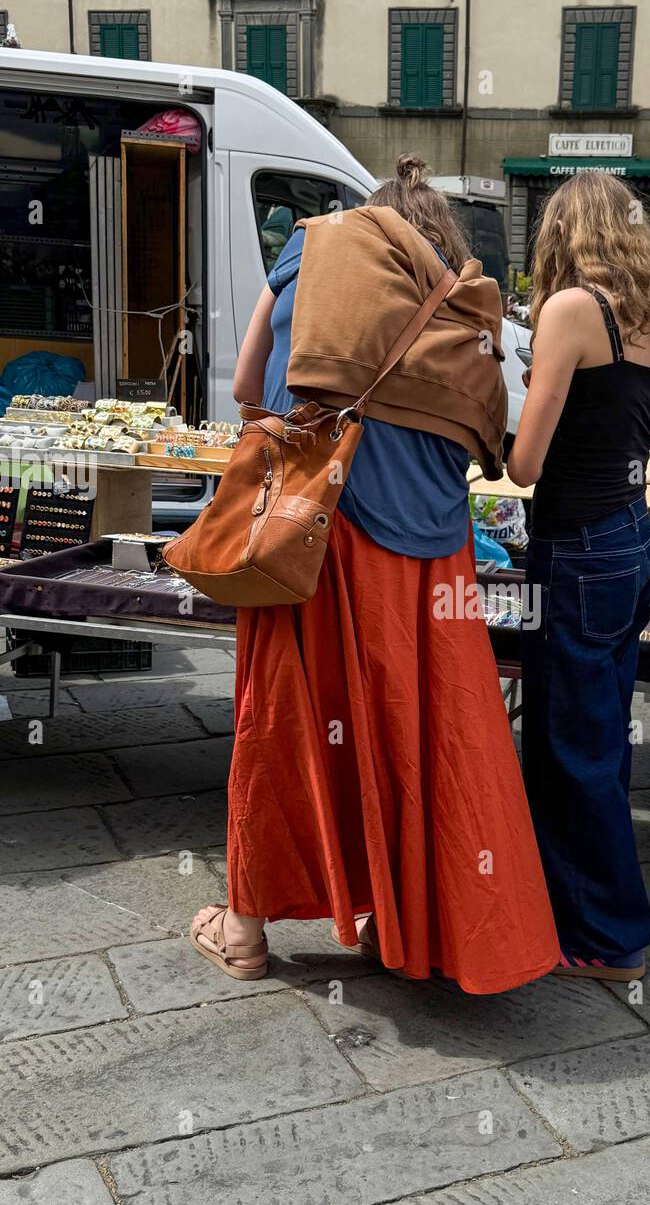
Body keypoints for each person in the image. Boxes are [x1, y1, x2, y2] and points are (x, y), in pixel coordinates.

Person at [190, 155, 559, 994]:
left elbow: (249, 386)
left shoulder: (313, 251)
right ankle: (404, 927)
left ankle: (244, 930)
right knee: (426, 739)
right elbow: (488, 449)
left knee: (286, 721)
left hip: (319, 540)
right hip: (434, 560)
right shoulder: (469, 310)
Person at [506, 171, 650, 982]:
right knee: (600, 738)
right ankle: (575, 905)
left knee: (568, 746)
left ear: (562, 232)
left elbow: (524, 465)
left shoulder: (573, 310)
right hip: (631, 536)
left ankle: (607, 940)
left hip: (579, 545)